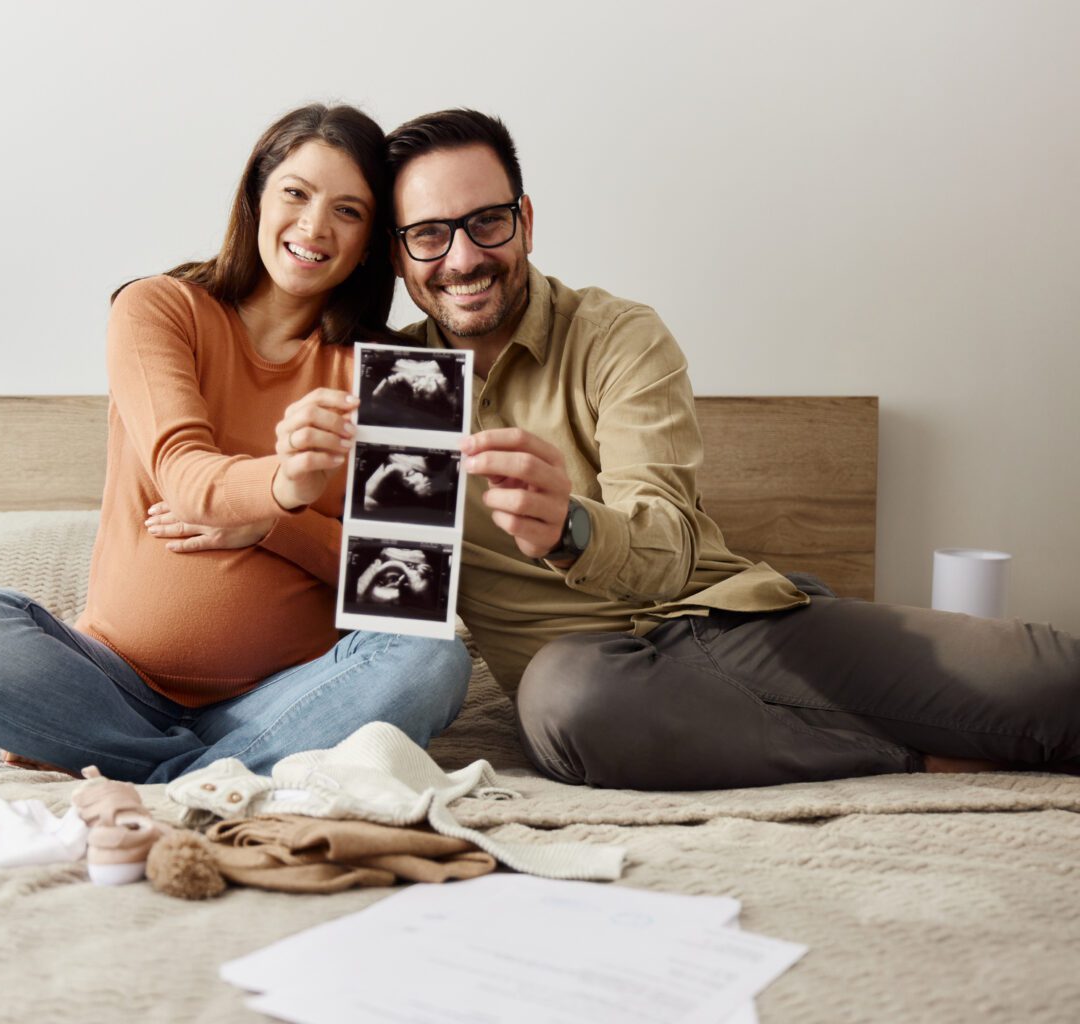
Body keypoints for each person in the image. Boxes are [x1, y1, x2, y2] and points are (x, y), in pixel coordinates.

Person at [379, 108, 1080, 790]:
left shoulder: (615, 334)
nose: (464, 257)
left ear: (524, 220)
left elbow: (669, 536)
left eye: (487, 222)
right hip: (595, 683)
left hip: (728, 621)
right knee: (570, 700)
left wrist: (572, 527)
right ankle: (904, 761)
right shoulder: (390, 388)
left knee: (1052, 679)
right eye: (430, 234)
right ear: (398, 254)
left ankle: (853, 727)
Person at [0, 104, 472, 785]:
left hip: (294, 696)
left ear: (371, 239)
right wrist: (285, 482)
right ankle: (220, 774)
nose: (315, 226)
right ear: (256, 197)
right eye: (295, 193)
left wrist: (272, 527)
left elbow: (408, 590)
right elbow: (185, 475)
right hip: (114, 683)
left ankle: (153, 771)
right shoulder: (158, 308)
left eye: (348, 211)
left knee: (433, 658)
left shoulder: (407, 376)